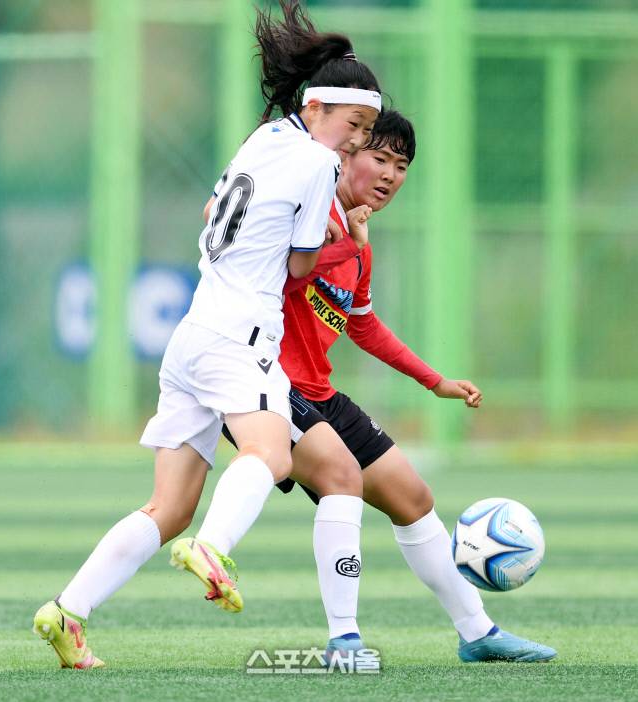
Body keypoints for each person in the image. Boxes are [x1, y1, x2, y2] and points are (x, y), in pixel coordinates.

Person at [32, 0, 381, 669]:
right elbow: (301, 267)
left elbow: (210, 208)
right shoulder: (316, 164)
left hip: (193, 334)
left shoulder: (266, 137)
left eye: (365, 131)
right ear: (315, 107)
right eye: (352, 125)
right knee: (270, 455)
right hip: (241, 336)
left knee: (168, 508)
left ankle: (67, 611)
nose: (357, 142)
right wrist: (341, 237)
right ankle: (215, 547)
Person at [202, 109, 557, 663]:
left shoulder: (357, 240)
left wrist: (434, 382)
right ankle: (344, 639)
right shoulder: (311, 214)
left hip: (318, 392)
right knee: (342, 478)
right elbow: (280, 277)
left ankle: (478, 633)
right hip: (266, 383)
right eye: (380, 157)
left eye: (402, 165)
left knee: (413, 498)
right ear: (345, 155)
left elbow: (363, 324)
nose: (390, 174)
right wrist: (348, 244)